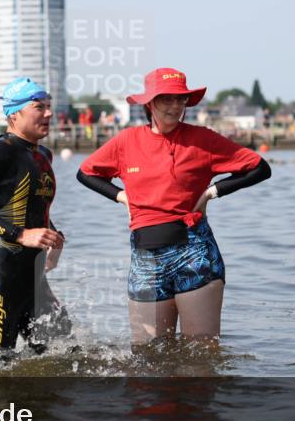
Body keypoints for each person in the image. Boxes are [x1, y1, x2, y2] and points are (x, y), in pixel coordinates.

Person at [76, 68, 271, 346]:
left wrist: (210, 193)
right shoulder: (126, 141)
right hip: (145, 258)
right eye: (166, 99)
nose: (175, 106)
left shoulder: (203, 139)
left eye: (181, 99)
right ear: (150, 103)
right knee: (146, 359)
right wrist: (122, 197)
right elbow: (86, 173)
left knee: (199, 355)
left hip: (194, 253)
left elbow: (259, 168)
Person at [0, 77, 68, 360]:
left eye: (49, 106)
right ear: (14, 114)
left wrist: (53, 236)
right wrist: (20, 235)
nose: (49, 113)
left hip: (35, 284)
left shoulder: (43, 154)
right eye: (39, 107)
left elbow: (34, 207)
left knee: (63, 358)